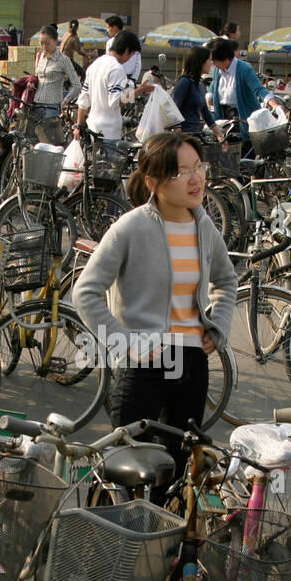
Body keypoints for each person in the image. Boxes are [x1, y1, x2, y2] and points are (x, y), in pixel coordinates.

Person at [72, 131, 237, 478]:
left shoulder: (204, 226)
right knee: (131, 472)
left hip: (191, 365)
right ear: (153, 181)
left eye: (198, 166)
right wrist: (123, 342)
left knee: (178, 473)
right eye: (181, 172)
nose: (196, 178)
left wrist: (218, 326)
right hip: (143, 369)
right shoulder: (130, 228)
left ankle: (169, 532)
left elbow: (226, 280)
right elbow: (85, 291)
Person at [78, 29, 154, 140]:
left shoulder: (95, 64)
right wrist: (140, 90)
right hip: (108, 132)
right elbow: (115, 102)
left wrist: (78, 126)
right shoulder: (117, 69)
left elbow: (83, 101)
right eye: (132, 55)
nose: (129, 59)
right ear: (127, 50)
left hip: (92, 128)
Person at [207, 37, 278, 149]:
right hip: (224, 119)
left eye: (214, 60)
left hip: (242, 119)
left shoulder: (244, 69)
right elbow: (213, 87)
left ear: (225, 58)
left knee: (243, 155)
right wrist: (208, 101)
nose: (212, 63)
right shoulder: (218, 70)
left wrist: (275, 105)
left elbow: (259, 89)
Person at [30, 24, 80, 143]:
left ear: (55, 41)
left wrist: (65, 100)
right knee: (34, 143)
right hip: (36, 106)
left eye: (47, 43)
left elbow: (77, 85)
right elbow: (37, 77)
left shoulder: (63, 59)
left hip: (52, 108)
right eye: (41, 43)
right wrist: (32, 84)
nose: (44, 46)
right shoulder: (40, 56)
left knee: (50, 144)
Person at [172, 45, 225, 143]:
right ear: (201, 62)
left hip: (196, 135)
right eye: (209, 60)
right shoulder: (185, 81)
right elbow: (173, 108)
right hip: (183, 136)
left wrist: (219, 135)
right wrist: (177, 128)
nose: (211, 64)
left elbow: (205, 111)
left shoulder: (200, 83)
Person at [104, 15, 140, 82]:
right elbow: (138, 64)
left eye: (108, 27)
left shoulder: (111, 42)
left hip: (119, 78)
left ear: (114, 27)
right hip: (124, 77)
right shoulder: (133, 39)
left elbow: (109, 61)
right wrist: (134, 79)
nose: (107, 30)